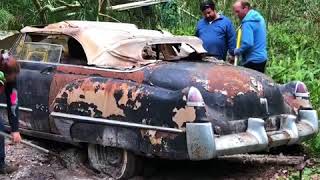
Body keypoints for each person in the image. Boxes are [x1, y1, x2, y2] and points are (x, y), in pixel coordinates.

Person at [0, 50, 21, 174]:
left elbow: (13, 102)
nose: (13, 80)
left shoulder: (11, 79)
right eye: (11, 78)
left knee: (0, 130)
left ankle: (0, 164)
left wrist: (15, 129)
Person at [233, 0, 268, 73]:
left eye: (237, 11)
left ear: (245, 8)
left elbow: (248, 43)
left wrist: (238, 51)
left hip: (252, 61)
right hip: (262, 59)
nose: (236, 14)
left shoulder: (247, 22)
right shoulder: (259, 18)